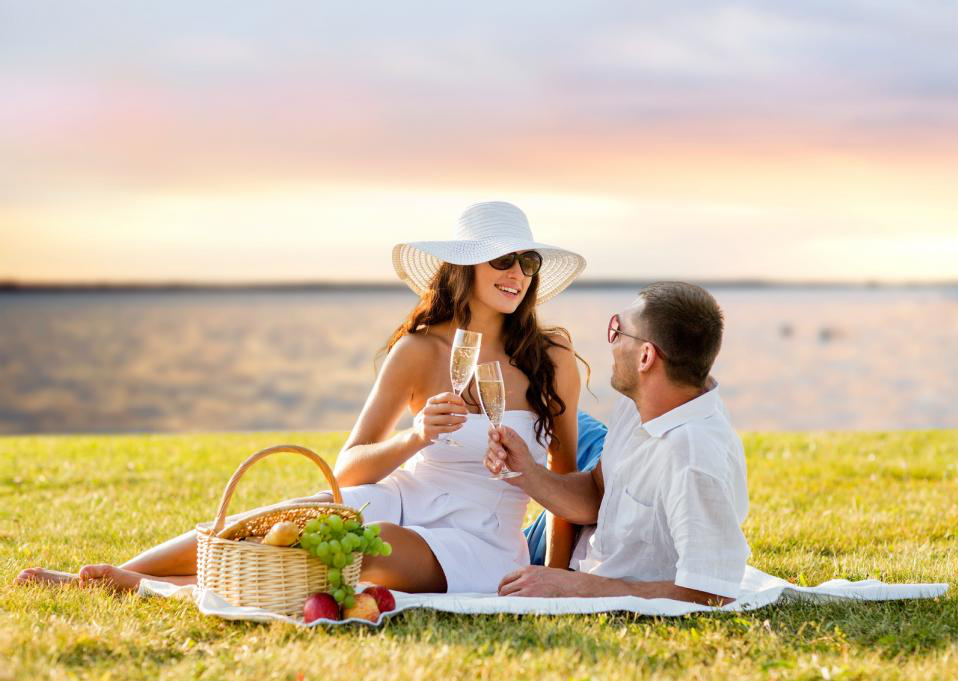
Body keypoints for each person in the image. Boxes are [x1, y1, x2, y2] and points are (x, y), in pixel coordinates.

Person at [16, 200, 586, 594]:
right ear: (466, 266)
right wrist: (417, 437)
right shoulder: (418, 351)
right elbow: (351, 466)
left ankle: (156, 586)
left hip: (478, 539)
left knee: (360, 546)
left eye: (528, 262)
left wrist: (557, 579)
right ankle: (119, 575)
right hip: (397, 499)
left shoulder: (551, 358)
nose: (518, 274)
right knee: (285, 520)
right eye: (504, 259)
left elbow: (565, 479)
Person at [485, 281, 750, 605]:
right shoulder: (640, 401)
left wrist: (572, 586)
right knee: (549, 408)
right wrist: (526, 471)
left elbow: (710, 591)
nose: (610, 341)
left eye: (617, 330)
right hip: (592, 537)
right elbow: (598, 491)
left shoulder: (692, 460)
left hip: (587, 565)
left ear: (646, 356)